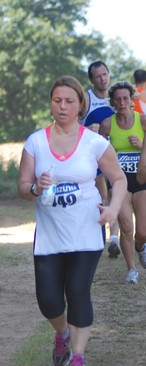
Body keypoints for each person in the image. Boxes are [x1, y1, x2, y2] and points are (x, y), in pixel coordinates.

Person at [18, 75, 126, 366]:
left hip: (87, 229)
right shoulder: (36, 141)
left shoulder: (94, 142)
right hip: (50, 234)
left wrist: (114, 209)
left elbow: (118, 179)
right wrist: (36, 188)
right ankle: (62, 332)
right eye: (57, 100)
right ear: (51, 103)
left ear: (80, 105)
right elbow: (22, 188)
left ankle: (78, 357)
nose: (62, 106)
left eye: (69, 101)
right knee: (49, 299)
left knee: (78, 291)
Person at [99, 81, 146, 284]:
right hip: (119, 181)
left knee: (142, 231)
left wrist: (142, 144)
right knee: (126, 226)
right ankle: (131, 269)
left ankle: (140, 246)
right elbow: (97, 151)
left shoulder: (143, 121)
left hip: (142, 179)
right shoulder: (107, 124)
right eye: (117, 99)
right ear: (112, 101)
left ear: (132, 99)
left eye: (125, 98)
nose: (122, 102)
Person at [81, 60, 120, 258]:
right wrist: (86, 130)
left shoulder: (116, 97)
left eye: (105, 74)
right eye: (98, 76)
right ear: (92, 79)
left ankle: (114, 239)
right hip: (91, 157)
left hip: (113, 153)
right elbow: (66, 123)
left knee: (117, 194)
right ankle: (98, 237)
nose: (103, 79)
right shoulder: (85, 99)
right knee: (100, 197)